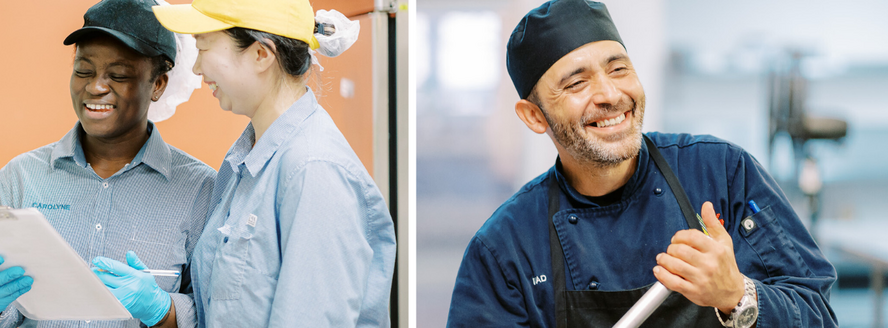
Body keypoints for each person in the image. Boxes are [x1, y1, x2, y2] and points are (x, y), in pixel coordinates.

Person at [446, 1, 836, 327]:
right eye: (577, 83)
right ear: (534, 116)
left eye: (619, 69)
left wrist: (736, 295)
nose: (610, 94)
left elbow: (818, 314)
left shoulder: (722, 174)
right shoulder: (505, 248)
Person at [0, 0, 216, 327]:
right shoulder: (20, 178)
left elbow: (217, 310)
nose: (95, 87)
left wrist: (165, 310)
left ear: (158, 84)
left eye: (118, 74)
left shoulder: (200, 190)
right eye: (83, 70)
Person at [151, 0, 397, 326]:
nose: (196, 68)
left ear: (261, 55)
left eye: (204, 47)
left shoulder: (313, 171)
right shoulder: (248, 161)